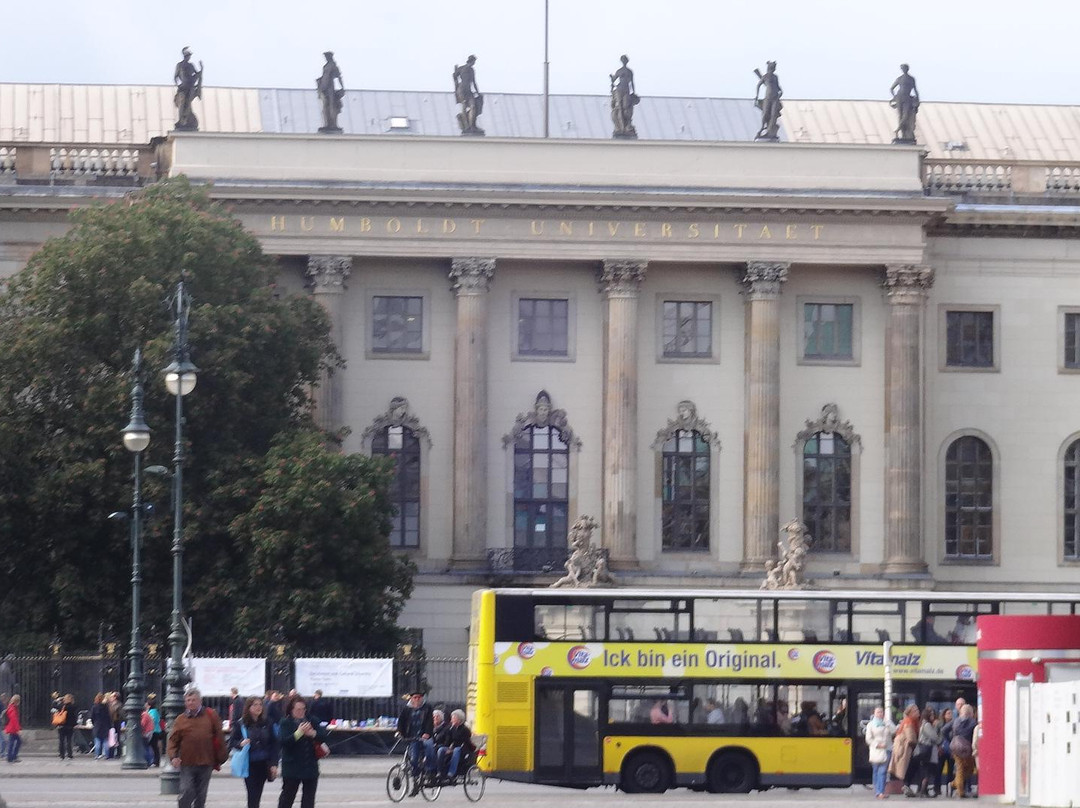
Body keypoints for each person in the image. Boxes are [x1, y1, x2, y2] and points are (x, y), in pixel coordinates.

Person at [167, 686, 227, 808]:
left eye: (193, 700)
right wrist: (173, 756)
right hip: (187, 762)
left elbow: (219, 736)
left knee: (201, 795)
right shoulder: (181, 719)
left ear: (200, 701)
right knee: (187, 790)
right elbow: (173, 740)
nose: (191, 703)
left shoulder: (211, 715)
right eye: (188, 700)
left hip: (206, 761)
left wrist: (221, 757)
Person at [277, 694, 330, 808]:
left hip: (310, 766)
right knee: (287, 798)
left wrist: (313, 733)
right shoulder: (285, 722)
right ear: (291, 710)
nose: (301, 712)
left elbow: (324, 736)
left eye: (303, 709)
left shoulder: (312, 720)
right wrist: (299, 733)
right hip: (292, 767)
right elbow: (284, 742)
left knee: (309, 800)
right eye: (298, 709)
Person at [230, 695, 279, 808]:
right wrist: (240, 744)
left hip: (263, 763)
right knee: (252, 794)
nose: (258, 707)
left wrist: (274, 764)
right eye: (255, 705)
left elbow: (274, 743)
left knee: (258, 794)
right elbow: (232, 742)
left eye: (260, 704)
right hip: (249, 763)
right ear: (248, 707)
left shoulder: (267, 723)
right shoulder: (241, 723)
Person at [397, 690, 436, 786]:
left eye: (419, 697)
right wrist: (399, 732)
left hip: (425, 736)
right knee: (413, 759)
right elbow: (401, 721)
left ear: (422, 698)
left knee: (429, 748)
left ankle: (430, 771)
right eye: (415, 697)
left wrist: (427, 733)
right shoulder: (407, 709)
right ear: (411, 699)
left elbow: (429, 722)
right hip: (413, 737)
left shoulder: (427, 708)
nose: (417, 699)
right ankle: (416, 777)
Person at [889, 703, 921, 795]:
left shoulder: (911, 721)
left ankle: (908, 785)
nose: (917, 712)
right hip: (906, 749)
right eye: (915, 711)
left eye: (917, 710)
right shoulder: (909, 722)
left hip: (905, 748)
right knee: (911, 767)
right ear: (910, 712)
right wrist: (916, 744)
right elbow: (911, 737)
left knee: (910, 767)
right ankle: (907, 785)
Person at [865, 706, 896, 800]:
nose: (880, 714)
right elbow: (868, 739)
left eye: (881, 712)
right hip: (876, 750)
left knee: (882, 772)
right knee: (876, 771)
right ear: (874, 713)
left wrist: (887, 723)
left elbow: (894, 731)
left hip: (887, 750)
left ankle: (880, 792)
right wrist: (877, 745)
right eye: (878, 712)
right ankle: (877, 790)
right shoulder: (871, 724)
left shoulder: (887, 723)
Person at [949, 704, 977, 797]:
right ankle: (960, 791)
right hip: (967, 749)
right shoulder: (973, 722)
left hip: (955, 747)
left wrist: (951, 739)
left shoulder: (955, 721)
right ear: (970, 713)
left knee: (960, 768)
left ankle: (954, 784)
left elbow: (944, 730)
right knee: (969, 769)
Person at [452, 55, 484, 135]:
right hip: (462, 90)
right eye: (474, 61)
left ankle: (471, 125)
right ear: (471, 61)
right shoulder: (462, 68)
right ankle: (466, 126)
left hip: (468, 90)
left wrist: (477, 92)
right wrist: (457, 86)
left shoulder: (471, 70)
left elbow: (473, 82)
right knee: (464, 105)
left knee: (473, 106)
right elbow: (454, 76)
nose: (474, 63)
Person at [173, 46, 203, 131]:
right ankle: (181, 120)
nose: (189, 57)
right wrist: (178, 85)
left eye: (189, 55)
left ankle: (186, 119)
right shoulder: (180, 65)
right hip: (183, 87)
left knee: (187, 103)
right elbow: (175, 77)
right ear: (185, 56)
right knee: (182, 103)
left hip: (190, 87)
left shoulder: (191, 65)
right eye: (188, 55)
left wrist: (201, 69)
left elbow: (197, 75)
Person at [441, 709, 475, 782]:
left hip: (463, 749)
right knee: (441, 750)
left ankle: (451, 772)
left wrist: (452, 749)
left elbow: (465, 742)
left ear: (459, 719)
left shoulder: (465, 730)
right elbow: (448, 740)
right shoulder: (451, 728)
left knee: (456, 750)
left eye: (454, 718)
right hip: (453, 748)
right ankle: (440, 771)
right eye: (452, 718)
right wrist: (447, 748)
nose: (452, 720)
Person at [916, 706, 943, 797]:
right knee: (928, 771)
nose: (933, 716)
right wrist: (938, 732)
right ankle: (923, 791)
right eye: (931, 714)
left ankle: (924, 790)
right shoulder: (927, 725)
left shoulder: (923, 724)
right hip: (928, 750)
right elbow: (934, 737)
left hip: (925, 750)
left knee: (927, 770)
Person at [889, 64, 920, 143]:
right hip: (900, 97)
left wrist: (917, 98)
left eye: (905, 68)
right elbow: (892, 88)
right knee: (900, 115)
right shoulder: (899, 78)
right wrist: (894, 97)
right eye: (902, 68)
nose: (904, 70)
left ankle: (898, 129)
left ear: (907, 69)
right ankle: (903, 134)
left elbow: (915, 89)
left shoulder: (911, 79)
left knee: (906, 115)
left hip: (907, 98)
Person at [316, 52, 345, 133]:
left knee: (332, 105)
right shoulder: (326, 66)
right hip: (324, 88)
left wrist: (342, 88)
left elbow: (339, 77)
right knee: (326, 106)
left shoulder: (333, 66)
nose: (326, 58)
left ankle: (332, 124)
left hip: (330, 88)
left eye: (327, 56)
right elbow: (325, 77)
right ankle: (327, 123)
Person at [609, 55, 637, 137]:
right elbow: (614, 80)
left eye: (625, 60)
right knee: (619, 107)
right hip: (619, 89)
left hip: (626, 90)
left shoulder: (629, 71)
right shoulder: (619, 71)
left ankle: (626, 125)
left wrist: (633, 92)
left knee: (625, 106)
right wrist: (611, 79)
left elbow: (632, 82)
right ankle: (621, 127)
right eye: (623, 60)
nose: (624, 61)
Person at [754, 61, 783, 140]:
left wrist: (780, 92)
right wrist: (757, 96)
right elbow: (758, 85)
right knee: (765, 113)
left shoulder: (775, 77)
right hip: (768, 98)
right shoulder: (765, 76)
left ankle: (770, 130)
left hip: (775, 98)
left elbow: (778, 87)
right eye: (773, 67)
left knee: (773, 115)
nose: (774, 69)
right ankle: (762, 128)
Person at [90, 692, 111, 760]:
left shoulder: (94, 707)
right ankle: (106, 755)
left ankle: (97, 755)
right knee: (105, 741)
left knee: (97, 741)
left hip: (97, 725)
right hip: (105, 725)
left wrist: (94, 723)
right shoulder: (106, 707)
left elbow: (92, 717)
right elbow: (108, 717)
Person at [58, 693, 76, 761]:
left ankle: (62, 754)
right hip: (69, 726)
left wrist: (58, 700)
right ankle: (69, 754)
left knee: (61, 741)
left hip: (61, 725)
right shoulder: (72, 706)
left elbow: (54, 706)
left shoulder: (62, 706)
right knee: (69, 740)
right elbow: (74, 716)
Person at [148, 693, 164, 767]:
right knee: (154, 747)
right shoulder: (155, 711)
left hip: (154, 731)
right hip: (157, 730)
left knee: (153, 747)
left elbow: (152, 720)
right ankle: (155, 761)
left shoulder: (152, 712)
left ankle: (155, 761)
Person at [4, 694, 21, 763]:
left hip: (12, 728)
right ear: (16, 701)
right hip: (13, 728)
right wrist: (18, 729)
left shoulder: (12, 707)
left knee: (13, 742)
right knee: (15, 742)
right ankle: (11, 757)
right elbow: (14, 719)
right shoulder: (12, 708)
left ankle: (11, 757)